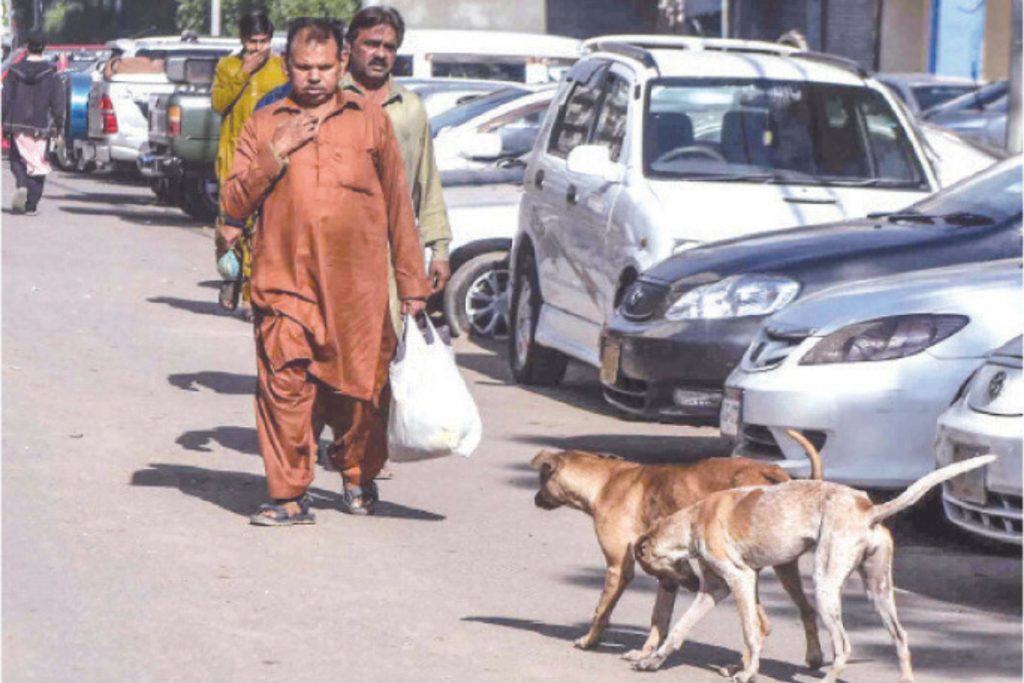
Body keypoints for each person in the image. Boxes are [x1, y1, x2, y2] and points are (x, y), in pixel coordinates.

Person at [220, 18, 430, 525]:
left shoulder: (370, 121)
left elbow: (399, 207)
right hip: (283, 285)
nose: (313, 77)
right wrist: (276, 151)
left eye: (323, 67)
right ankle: (289, 495)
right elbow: (233, 202)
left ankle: (357, 472)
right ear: (286, 66)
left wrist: (412, 285)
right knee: (283, 389)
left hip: (356, 293)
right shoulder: (264, 123)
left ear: (341, 64)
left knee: (360, 395)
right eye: (302, 67)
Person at [211, 10, 288, 318]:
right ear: (242, 40)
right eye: (252, 42)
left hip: (265, 157)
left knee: (257, 227)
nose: (258, 48)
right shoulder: (227, 67)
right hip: (232, 158)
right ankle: (231, 278)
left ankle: (249, 294)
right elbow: (219, 104)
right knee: (230, 225)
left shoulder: (280, 68)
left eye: (263, 41)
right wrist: (243, 72)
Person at [2, 30, 64, 215]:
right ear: (45, 47)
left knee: (16, 159)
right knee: (38, 163)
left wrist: (3, 121)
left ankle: (22, 183)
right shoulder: (51, 72)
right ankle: (31, 204)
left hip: (17, 123)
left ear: (27, 46)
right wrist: (59, 127)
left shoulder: (14, 71)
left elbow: (6, 99)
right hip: (41, 126)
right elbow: (58, 103)